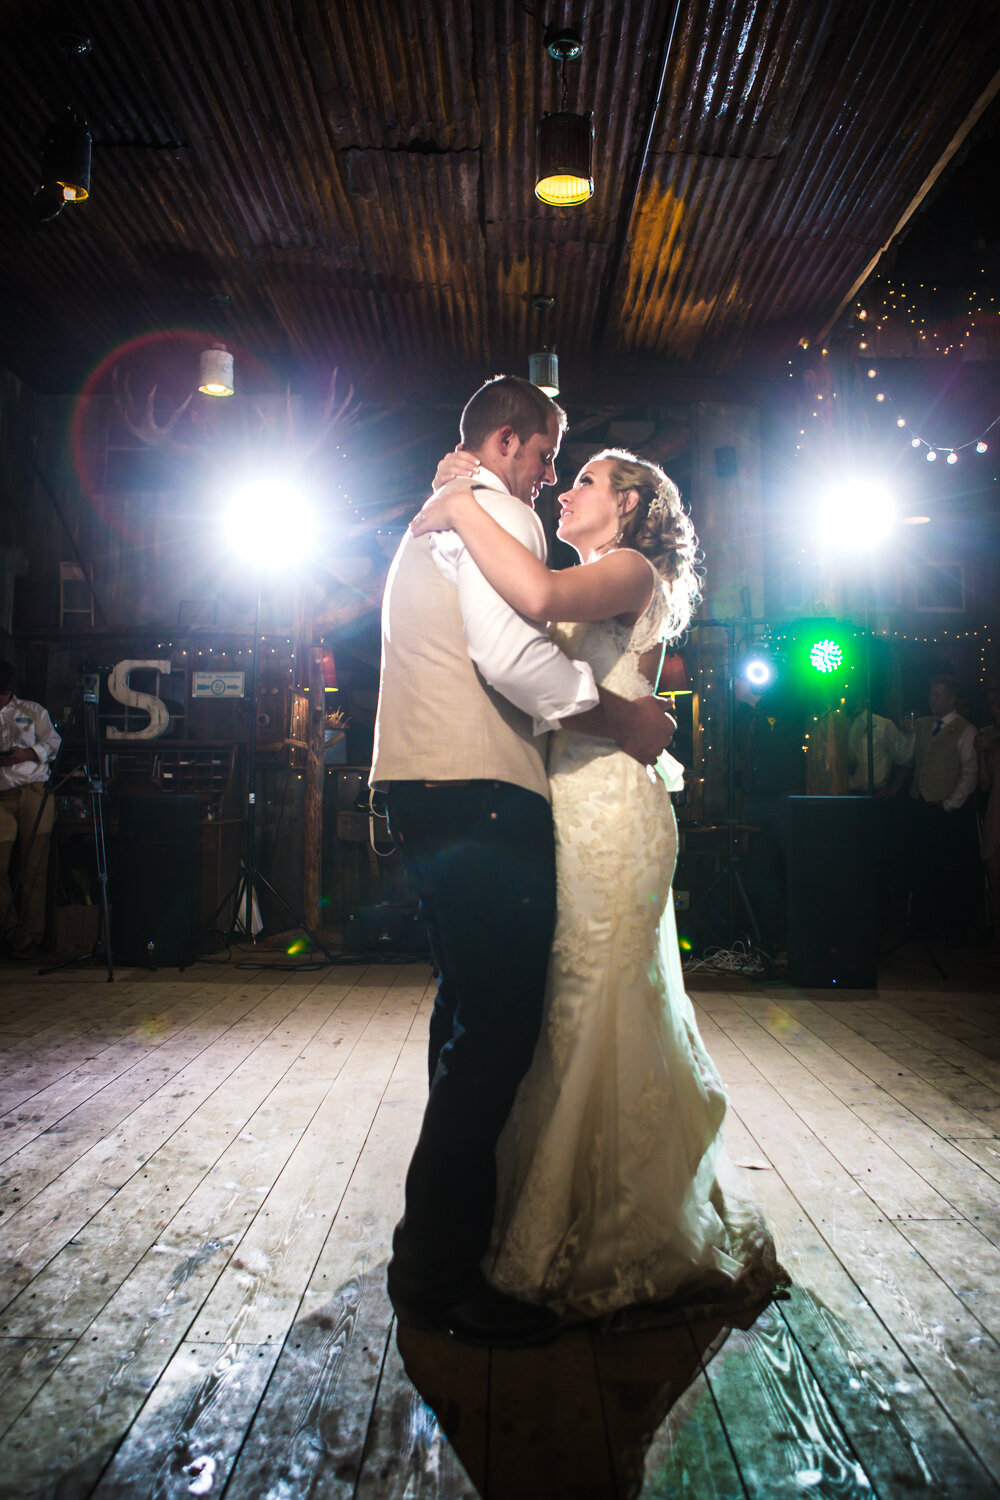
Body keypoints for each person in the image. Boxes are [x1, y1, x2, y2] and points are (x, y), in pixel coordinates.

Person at [411, 446, 782, 1320]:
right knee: (558, 1012)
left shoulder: (629, 569)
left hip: (611, 811)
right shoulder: (593, 569)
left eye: (584, 480)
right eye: (564, 474)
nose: (566, 491)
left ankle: (615, 1232)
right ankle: (543, 1208)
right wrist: (462, 491)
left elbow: (531, 598)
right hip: (563, 805)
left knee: (597, 1007)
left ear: (630, 504)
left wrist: (462, 503)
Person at [370, 377, 675, 1346]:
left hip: (427, 781)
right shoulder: (494, 510)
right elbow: (511, 657)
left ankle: (445, 1246)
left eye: (568, 471)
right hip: (479, 787)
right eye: (550, 457)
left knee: (470, 1020)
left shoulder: (452, 513)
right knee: (493, 1033)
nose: (548, 482)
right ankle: (439, 1273)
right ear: (510, 442)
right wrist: (619, 714)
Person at [894, 674, 978, 941]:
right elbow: (904, 758)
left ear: (952, 699)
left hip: (943, 810)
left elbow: (969, 773)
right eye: (931, 694)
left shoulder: (966, 729)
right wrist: (907, 735)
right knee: (918, 866)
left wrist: (952, 803)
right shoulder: (921, 724)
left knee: (944, 868)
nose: (932, 699)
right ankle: (921, 924)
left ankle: (947, 927)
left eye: (938, 695)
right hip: (919, 805)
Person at [0, 661, 61, 958]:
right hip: (1, 797)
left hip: (34, 792)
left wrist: (27, 752)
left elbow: (53, 741)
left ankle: (31, 936)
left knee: (34, 867)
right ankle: (10, 930)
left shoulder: (32, 711)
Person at [977, 698, 1000, 943]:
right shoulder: (992, 742)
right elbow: (984, 783)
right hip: (996, 809)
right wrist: (981, 753)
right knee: (994, 880)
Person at [845, 692, 898, 793]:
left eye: (856, 695)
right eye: (849, 695)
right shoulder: (841, 725)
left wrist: (893, 788)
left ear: (865, 698)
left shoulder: (883, 724)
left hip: (876, 791)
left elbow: (901, 758)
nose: (851, 699)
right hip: (848, 791)